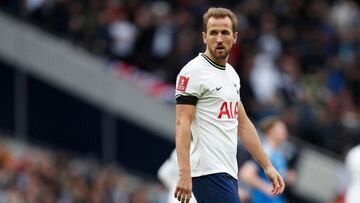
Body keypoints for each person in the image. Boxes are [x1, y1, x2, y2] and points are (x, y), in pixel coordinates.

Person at [174, 7, 285, 203]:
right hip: (208, 171)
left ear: (234, 37)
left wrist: (267, 165)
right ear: (204, 37)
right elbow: (182, 123)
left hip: (228, 171)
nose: (219, 38)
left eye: (224, 32)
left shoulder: (232, 75)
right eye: (213, 32)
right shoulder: (192, 72)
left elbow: (243, 124)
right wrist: (184, 173)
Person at [239, 117, 290, 203]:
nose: (285, 133)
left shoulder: (279, 153)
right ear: (270, 131)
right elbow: (246, 173)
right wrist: (265, 187)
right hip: (260, 199)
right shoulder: (264, 151)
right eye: (281, 129)